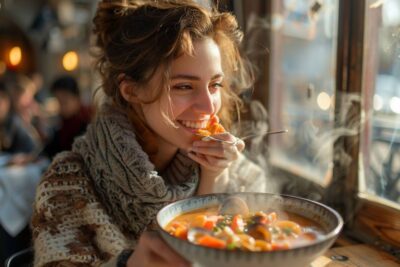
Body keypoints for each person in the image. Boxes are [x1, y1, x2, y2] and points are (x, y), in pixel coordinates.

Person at [31, 1, 268, 266]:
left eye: (214, 84)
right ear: (131, 90)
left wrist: (213, 176)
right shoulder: (67, 184)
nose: (207, 106)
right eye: (184, 86)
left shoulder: (237, 172)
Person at [44, 75, 92, 158]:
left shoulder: (87, 122)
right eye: (58, 101)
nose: (61, 106)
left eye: (64, 101)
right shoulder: (64, 123)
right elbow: (51, 149)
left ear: (77, 98)